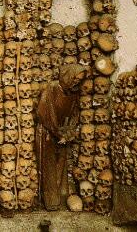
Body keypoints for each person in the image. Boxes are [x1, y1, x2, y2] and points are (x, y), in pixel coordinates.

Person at [35, 64, 88, 210]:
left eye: (79, 80)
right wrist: (58, 134)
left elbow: (75, 115)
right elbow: (45, 114)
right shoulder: (51, 89)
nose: (77, 82)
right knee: (49, 167)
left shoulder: (73, 92)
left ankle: (60, 197)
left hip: (62, 134)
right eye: (75, 79)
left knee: (61, 166)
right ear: (67, 76)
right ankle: (51, 201)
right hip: (47, 133)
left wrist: (68, 134)